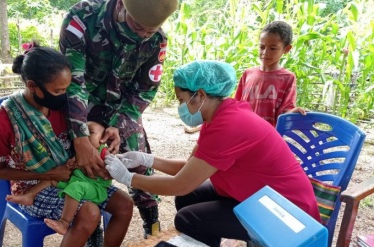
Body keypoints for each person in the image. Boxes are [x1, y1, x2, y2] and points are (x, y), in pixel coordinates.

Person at [104, 60, 321, 247]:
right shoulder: (219, 115)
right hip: (259, 196)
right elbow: (190, 169)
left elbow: (180, 183)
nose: (180, 106)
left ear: (200, 95)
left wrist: (128, 178)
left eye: (181, 100)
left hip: (285, 212)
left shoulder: (228, 125)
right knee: (189, 197)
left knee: (187, 218)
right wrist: (146, 159)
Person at [0, 43, 133, 247]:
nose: (65, 96)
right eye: (58, 90)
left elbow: (89, 127)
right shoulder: (1, 120)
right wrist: (49, 174)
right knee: (90, 212)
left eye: (67, 89)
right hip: (33, 187)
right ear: (32, 86)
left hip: (73, 176)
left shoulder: (68, 108)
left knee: (125, 204)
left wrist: (105, 133)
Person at [59, 0, 179, 238]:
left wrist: (117, 124)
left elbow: (144, 90)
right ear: (122, 6)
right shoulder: (82, 18)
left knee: (138, 161)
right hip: (80, 108)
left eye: (151, 30)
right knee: (86, 165)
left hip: (121, 110)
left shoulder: (156, 40)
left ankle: (152, 225)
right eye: (138, 27)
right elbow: (73, 83)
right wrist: (80, 137)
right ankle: (93, 233)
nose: (144, 35)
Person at [6, 121, 112, 235]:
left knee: (75, 188)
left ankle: (64, 222)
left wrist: (107, 169)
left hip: (95, 187)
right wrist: (72, 165)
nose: (84, 136)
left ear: (103, 139)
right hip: (77, 181)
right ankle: (29, 195)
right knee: (52, 178)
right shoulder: (81, 149)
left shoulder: (104, 153)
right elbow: (73, 165)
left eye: (90, 132)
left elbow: (112, 171)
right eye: (82, 132)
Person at [234, 21, 306, 127]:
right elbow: (237, 105)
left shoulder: (288, 78)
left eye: (272, 48)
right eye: (262, 47)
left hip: (268, 135)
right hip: (243, 131)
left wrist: (293, 112)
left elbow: (284, 112)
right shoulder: (248, 74)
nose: (265, 52)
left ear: (286, 49)